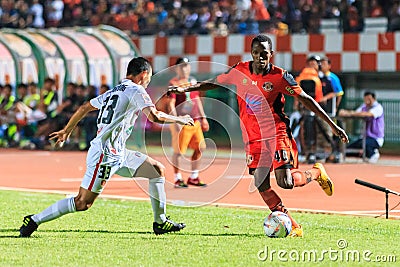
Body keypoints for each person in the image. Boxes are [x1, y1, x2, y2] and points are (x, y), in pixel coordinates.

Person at [169, 35, 349, 237]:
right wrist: (185, 88)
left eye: (264, 53)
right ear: (251, 53)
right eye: (256, 53)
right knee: (261, 183)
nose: (260, 57)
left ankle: (316, 173)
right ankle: (292, 224)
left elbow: (306, 99)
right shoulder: (240, 71)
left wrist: (332, 125)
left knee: (285, 182)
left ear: (271, 54)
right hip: (253, 137)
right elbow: (213, 83)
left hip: (276, 133)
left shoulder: (280, 76)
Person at [19, 57, 193, 237]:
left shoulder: (114, 91)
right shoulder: (136, 90)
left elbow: (85, 107)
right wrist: (180, 119)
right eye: (148, 78)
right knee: (82, 203)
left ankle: (160, 222)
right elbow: (154, 116)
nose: (148, 82)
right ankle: (34, 220)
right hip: (105, 155)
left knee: (157, 171)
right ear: (143, 74)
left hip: (119, 153)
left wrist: (66, 130)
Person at [164, 57, 209, 188]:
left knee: (201, 147)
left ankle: (194, 177)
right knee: (179, 151)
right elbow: (171, 103)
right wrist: (175, 120)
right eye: (182, 66)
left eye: (187, 65)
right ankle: (177, 178)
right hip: (182, 121)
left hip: (194, 121)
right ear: (177, 68)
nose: (185, 68)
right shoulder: (173, 83)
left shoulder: (192, 81)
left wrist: (203, 117)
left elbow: (197, 100)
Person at [339, 91, 384, 163]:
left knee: (366, 144)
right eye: (366, 99)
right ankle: (364, 154)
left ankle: (373, 153)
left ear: (374, 98)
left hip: (375, 138)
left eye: (369, 99)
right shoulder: (363, 106)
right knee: (348, 149)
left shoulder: (378, 107)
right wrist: (345, 113)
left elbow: (368, 114)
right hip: (363, 137)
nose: (367, 101)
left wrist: (351, 113)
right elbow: (356, 113)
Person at [295, 55, 324, 163]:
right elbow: (319, 96)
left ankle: (307, 152)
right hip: (313, 108)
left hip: (306, 108)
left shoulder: (301, 77)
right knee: (306, 130)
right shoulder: (316, 79)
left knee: (306, 130)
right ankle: (310, 152)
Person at [319, 57, 344, 163]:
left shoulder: (332, 78)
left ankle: (335, 153)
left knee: (331, 131)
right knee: (321, 131)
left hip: (330, 111)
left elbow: (339, 93)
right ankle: (325, 153)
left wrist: (335, 107)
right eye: (321, 64)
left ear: (329, 66)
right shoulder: (319, 77)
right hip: (320, 110)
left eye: (324, 64)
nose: (322, 66)